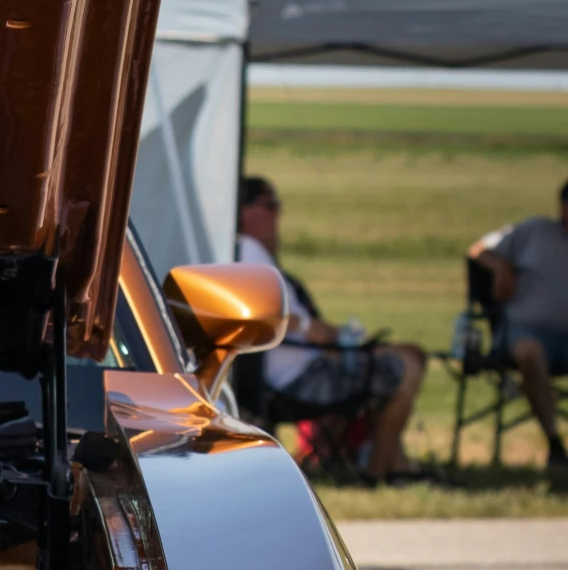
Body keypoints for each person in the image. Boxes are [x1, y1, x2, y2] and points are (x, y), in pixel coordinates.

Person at [236, 175, 428, 482]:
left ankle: (389, 464)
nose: (277, 215)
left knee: (406, 358)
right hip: (298, 379)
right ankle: (379, 470)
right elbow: (256, 312)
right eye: (270, 206)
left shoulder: (249, 250)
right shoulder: (247, 249)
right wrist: (309, 327)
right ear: (244, 210)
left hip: (302, 368)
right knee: (404, 368)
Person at [469, 183, 568, 476]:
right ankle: (554, 443)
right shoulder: (535, 231)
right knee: (530, 352)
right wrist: (501, 268)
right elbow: (478, 250)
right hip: (526, 333)